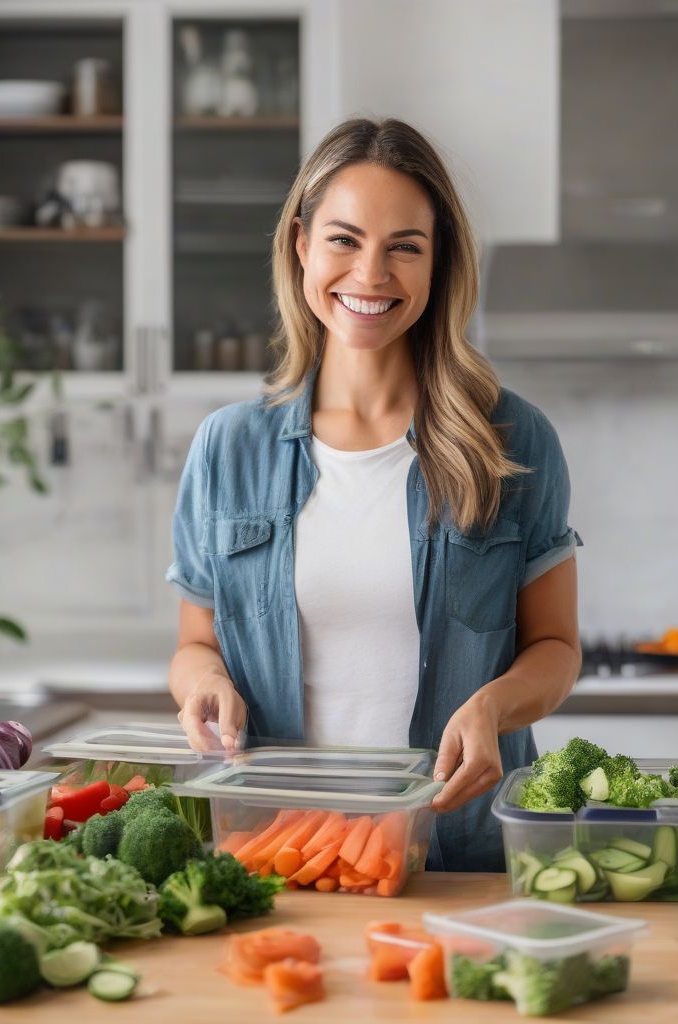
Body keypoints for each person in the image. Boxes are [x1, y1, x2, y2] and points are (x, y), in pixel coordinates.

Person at [166, 117, 581, 871]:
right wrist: (205, 685)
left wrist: (493, 705)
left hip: (461, 857)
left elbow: (555, 647)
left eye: (404, 248)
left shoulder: (513, 441)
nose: (370, 275)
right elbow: (196, 643)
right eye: (345, 240)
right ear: (301, 245)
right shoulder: (229, 448)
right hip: (277, 855)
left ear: (438, 263)